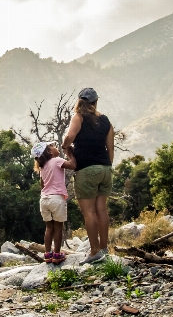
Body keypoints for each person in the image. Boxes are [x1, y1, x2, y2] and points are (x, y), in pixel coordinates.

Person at [62, 87, 114, 264]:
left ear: (79, 101)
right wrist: (108, 165)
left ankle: (94, 252)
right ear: (95, 102)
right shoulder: (106, 121)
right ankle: (104, 248)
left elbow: (70, 136)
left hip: (86, 170)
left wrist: (65, 145)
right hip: (105, 169)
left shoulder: (79, 117)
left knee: (89, 212)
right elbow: (110, 148)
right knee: (102, 210)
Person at [32, 141, 76, 264]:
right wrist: (70, 153)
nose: (56, 148)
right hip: (56, 198)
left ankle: (47, 254)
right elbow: (73, 165)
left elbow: (42, 184)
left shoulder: (42, 167)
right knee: (58, 227)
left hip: (44, 199)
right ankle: (57, 254)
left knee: (49, 227)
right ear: (50, 152)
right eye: (53, 146)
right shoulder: (56, 160)